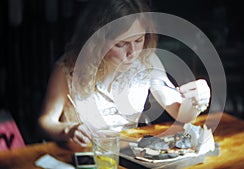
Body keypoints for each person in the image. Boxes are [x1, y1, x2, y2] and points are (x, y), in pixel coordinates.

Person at [38, 0, 211, 147]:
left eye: (138, 40)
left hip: (127, 154)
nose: (132, 52)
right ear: (97, 41)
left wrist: (195, 100)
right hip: (83, 155)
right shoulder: (68, 69)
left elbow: (180, 113)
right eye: (121, 44)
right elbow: (45, 121)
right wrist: (68, 130)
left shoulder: (147, 61)